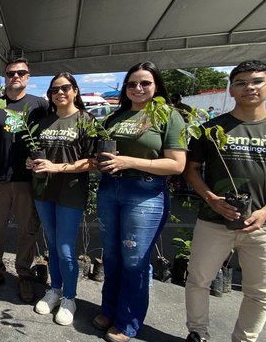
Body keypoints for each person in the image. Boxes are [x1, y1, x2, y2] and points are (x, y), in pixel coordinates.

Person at [183, 60, 266, 342]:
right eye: (240, 82)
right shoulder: (211, 129)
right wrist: (210, 198)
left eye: (257, 81)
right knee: (198, 281)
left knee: (260, 291)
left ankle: (245, 338)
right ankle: (198, 332)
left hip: (262, 227)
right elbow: (191, 170)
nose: (249, 87)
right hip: (214, 220)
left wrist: (265, 211)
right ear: (231, 90)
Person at [93, 61, 186, 342]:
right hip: (110, 189)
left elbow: (177, 165)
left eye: (145, 82)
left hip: (145, 193)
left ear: (157, 86)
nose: (138, 88)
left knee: (134, 260)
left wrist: (128, 161)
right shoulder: (115, 117)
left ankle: (128, 322)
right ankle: (109, 309)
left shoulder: (169, 116)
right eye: (132, 83)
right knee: (111, 256)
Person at [0, 57, 48, 303]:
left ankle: (24, 274)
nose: (15, 76)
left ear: (28, 77)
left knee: (27, 230)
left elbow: (49, 139)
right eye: (10, 73)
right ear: (4, 77)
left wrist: (42, 161)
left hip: (28, 181)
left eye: (21, 72)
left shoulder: (40, 106)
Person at [27, 73, 95, 326]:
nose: (60, 92)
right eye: (55, 89)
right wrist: (31, 162)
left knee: (66, 249)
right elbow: (39, 155)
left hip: (71, 192)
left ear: (75, 91)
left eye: (65, 88)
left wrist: (56, 167)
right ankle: (54, 290)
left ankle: (69, 297)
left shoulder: (86, 121)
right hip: (43, 192)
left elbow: (92, 161)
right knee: (53, 244)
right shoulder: (44, 122)